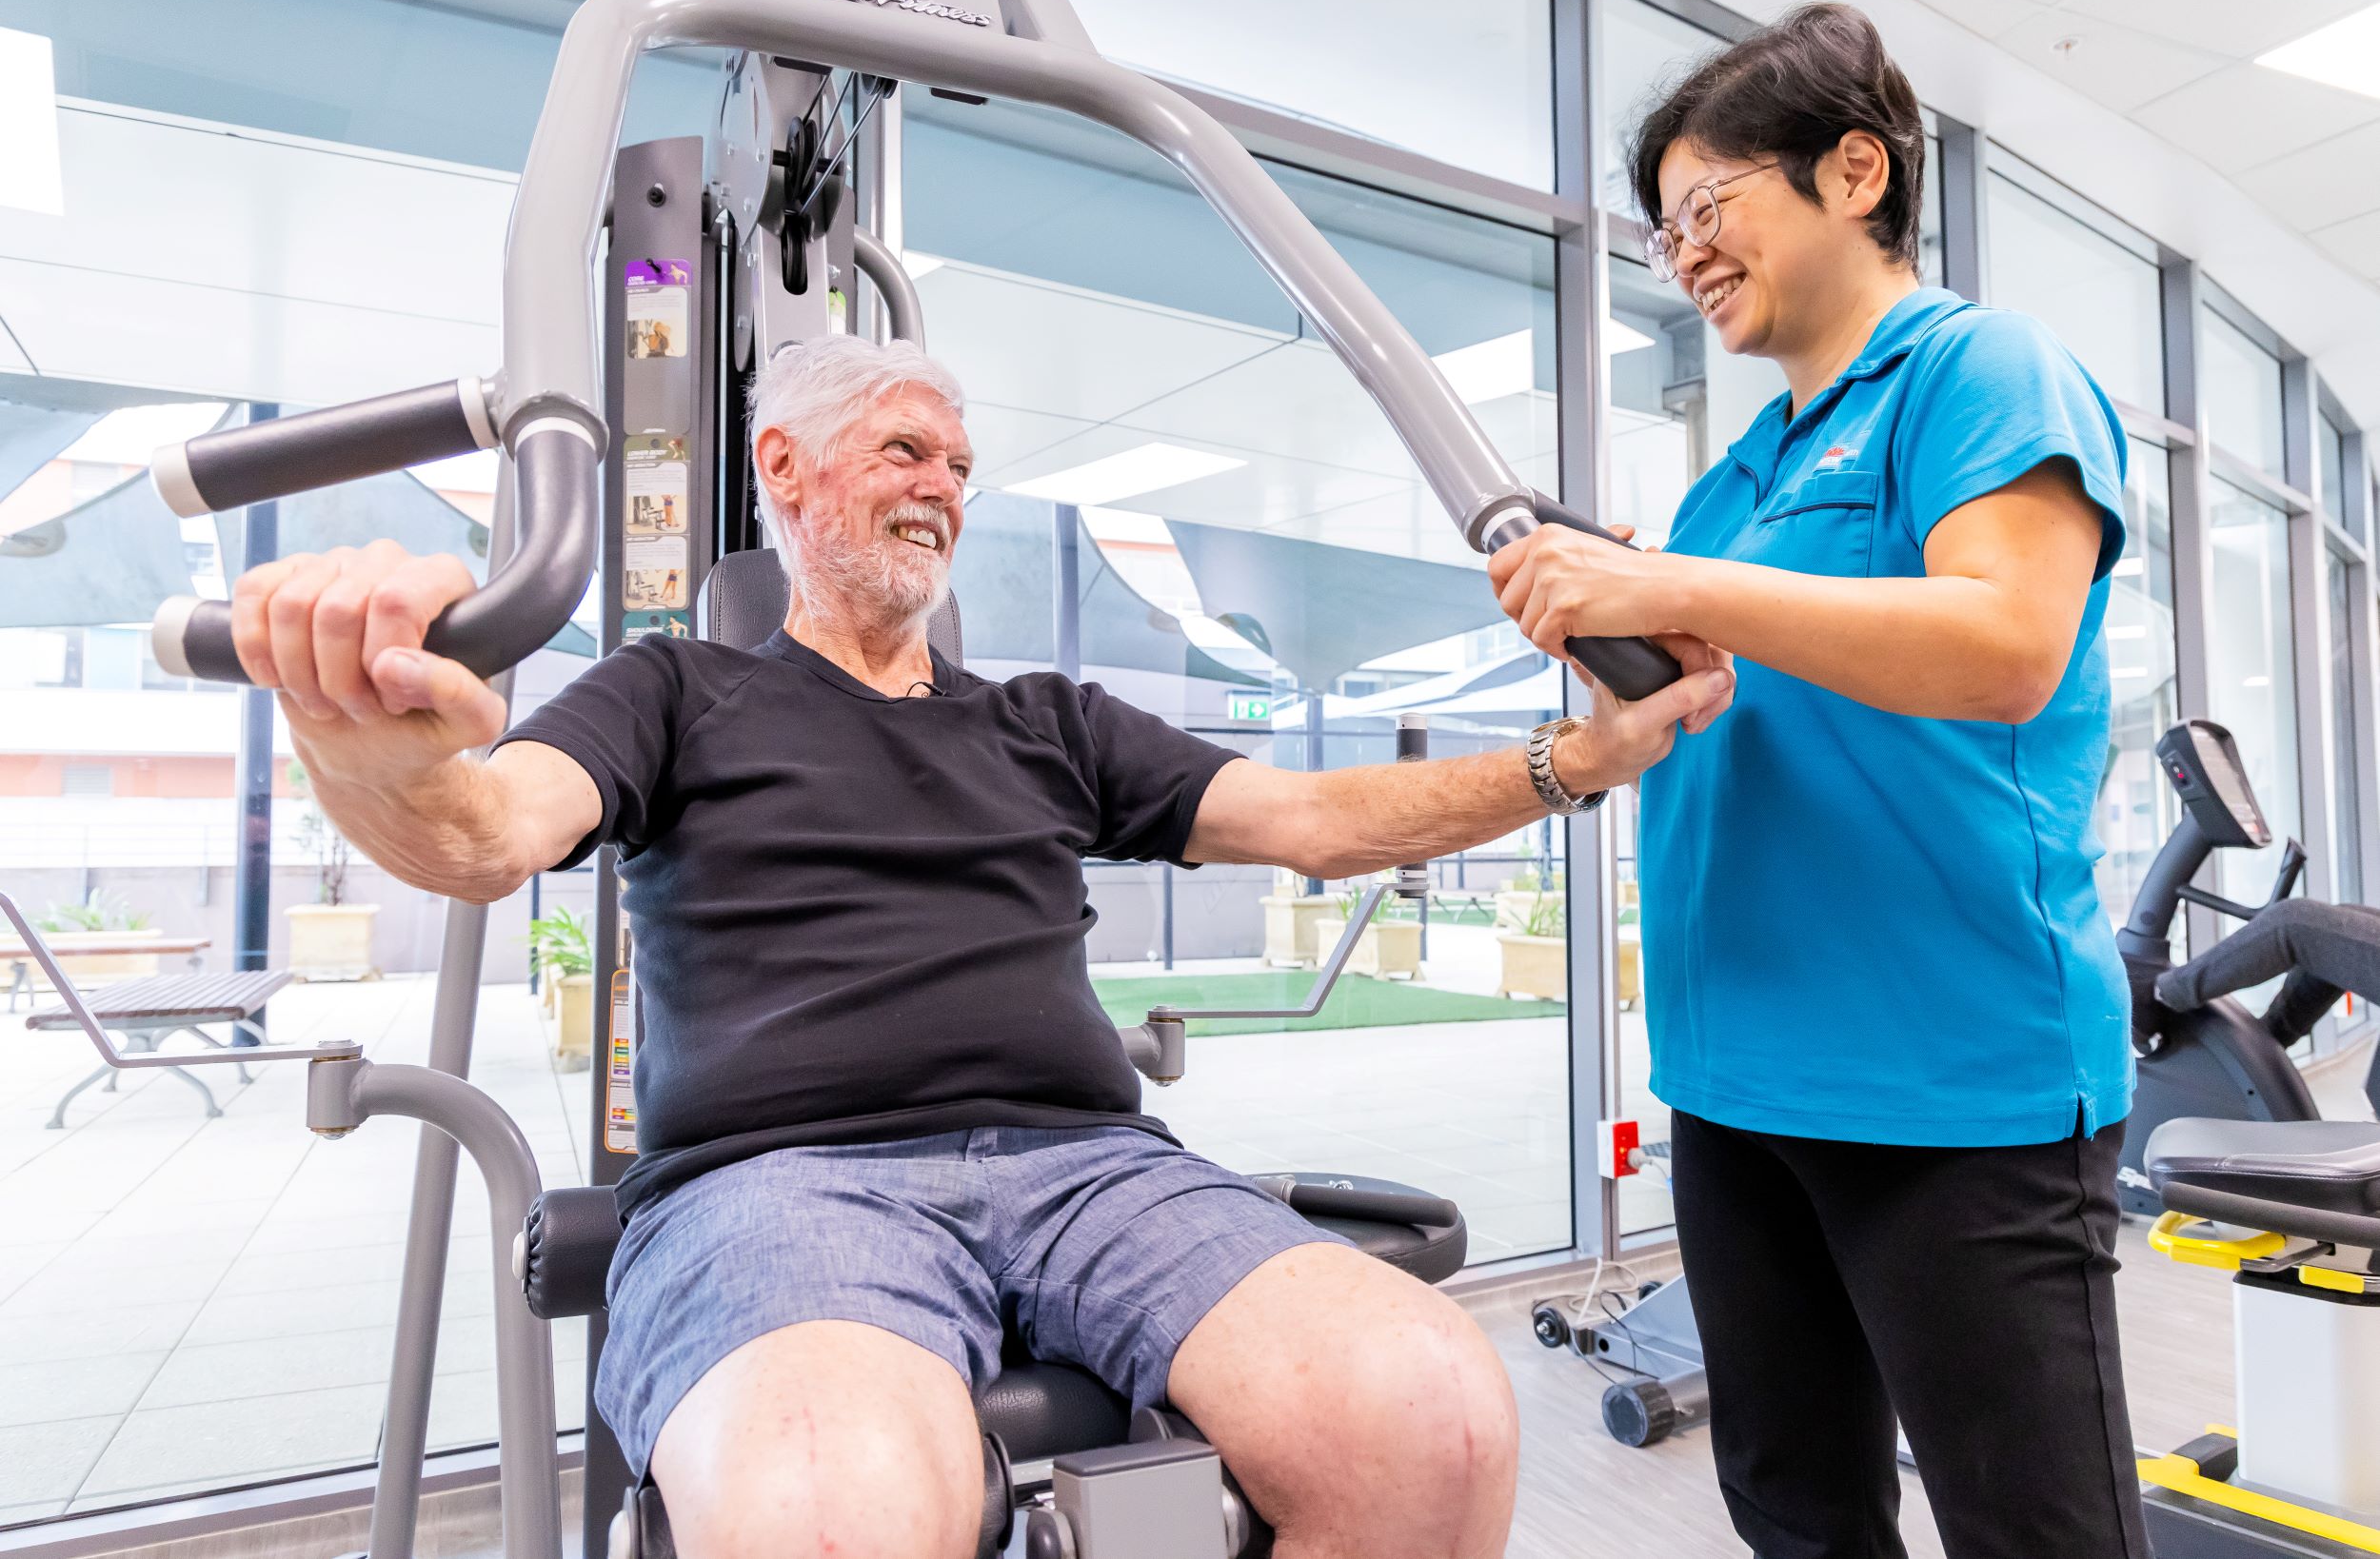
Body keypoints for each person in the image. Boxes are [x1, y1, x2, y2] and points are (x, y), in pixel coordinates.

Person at [227, 333, 1732, 1559]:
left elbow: (1324, 819)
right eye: (902, 450)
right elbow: (484, 835)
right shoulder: (673, 691)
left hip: (1090, 1168)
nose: (942, 486)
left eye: (958, 464)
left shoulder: (1049, 720)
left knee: (1437, 1415)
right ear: (783, 470)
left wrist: (1573, 765)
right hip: (784, 1180)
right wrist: (363, 742)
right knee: (831, 1513)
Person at [1489, 3, 2146, 1559]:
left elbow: (2003, 645)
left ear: (1855, 171)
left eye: (1709, 206)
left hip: (1949, 1082)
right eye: (1667, 235)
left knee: (2029, 1529)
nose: (1690, 252)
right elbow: (1730, 715)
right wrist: (1620, 647)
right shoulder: (1736, 477)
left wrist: (1690, 595)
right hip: (1736, 1080)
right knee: (1794, 1512)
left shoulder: (1977, 372)